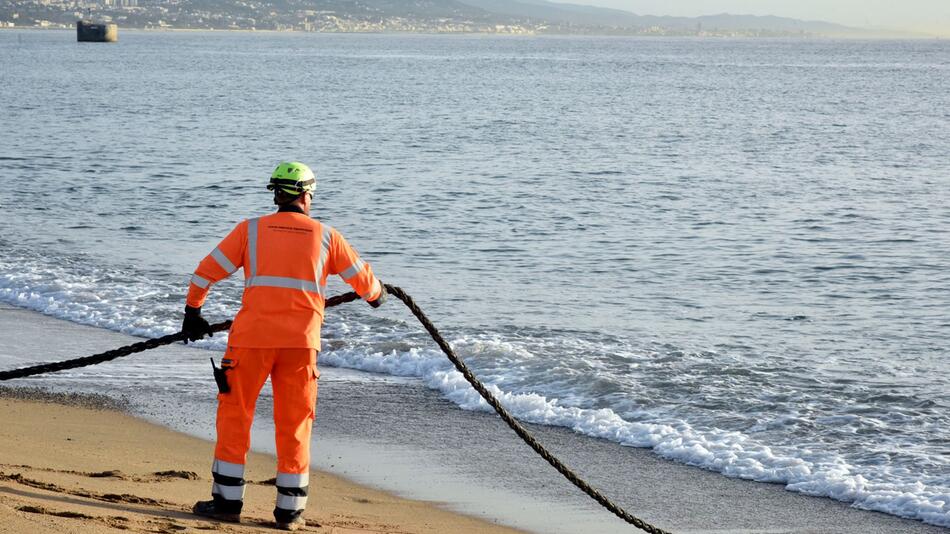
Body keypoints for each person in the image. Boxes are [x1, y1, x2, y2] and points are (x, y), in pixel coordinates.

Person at [180, 161, 385, 531]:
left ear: (275, 193)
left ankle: (227, 503)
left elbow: (204, 272)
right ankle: (289, 513)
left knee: (235, 416)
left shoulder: (250, 231)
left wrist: (193, 312)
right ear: (308, 195)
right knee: (294, 425)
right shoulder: (327, 237)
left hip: (250, 342)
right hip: (300, 347)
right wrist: (378, 295)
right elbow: (369, 289)